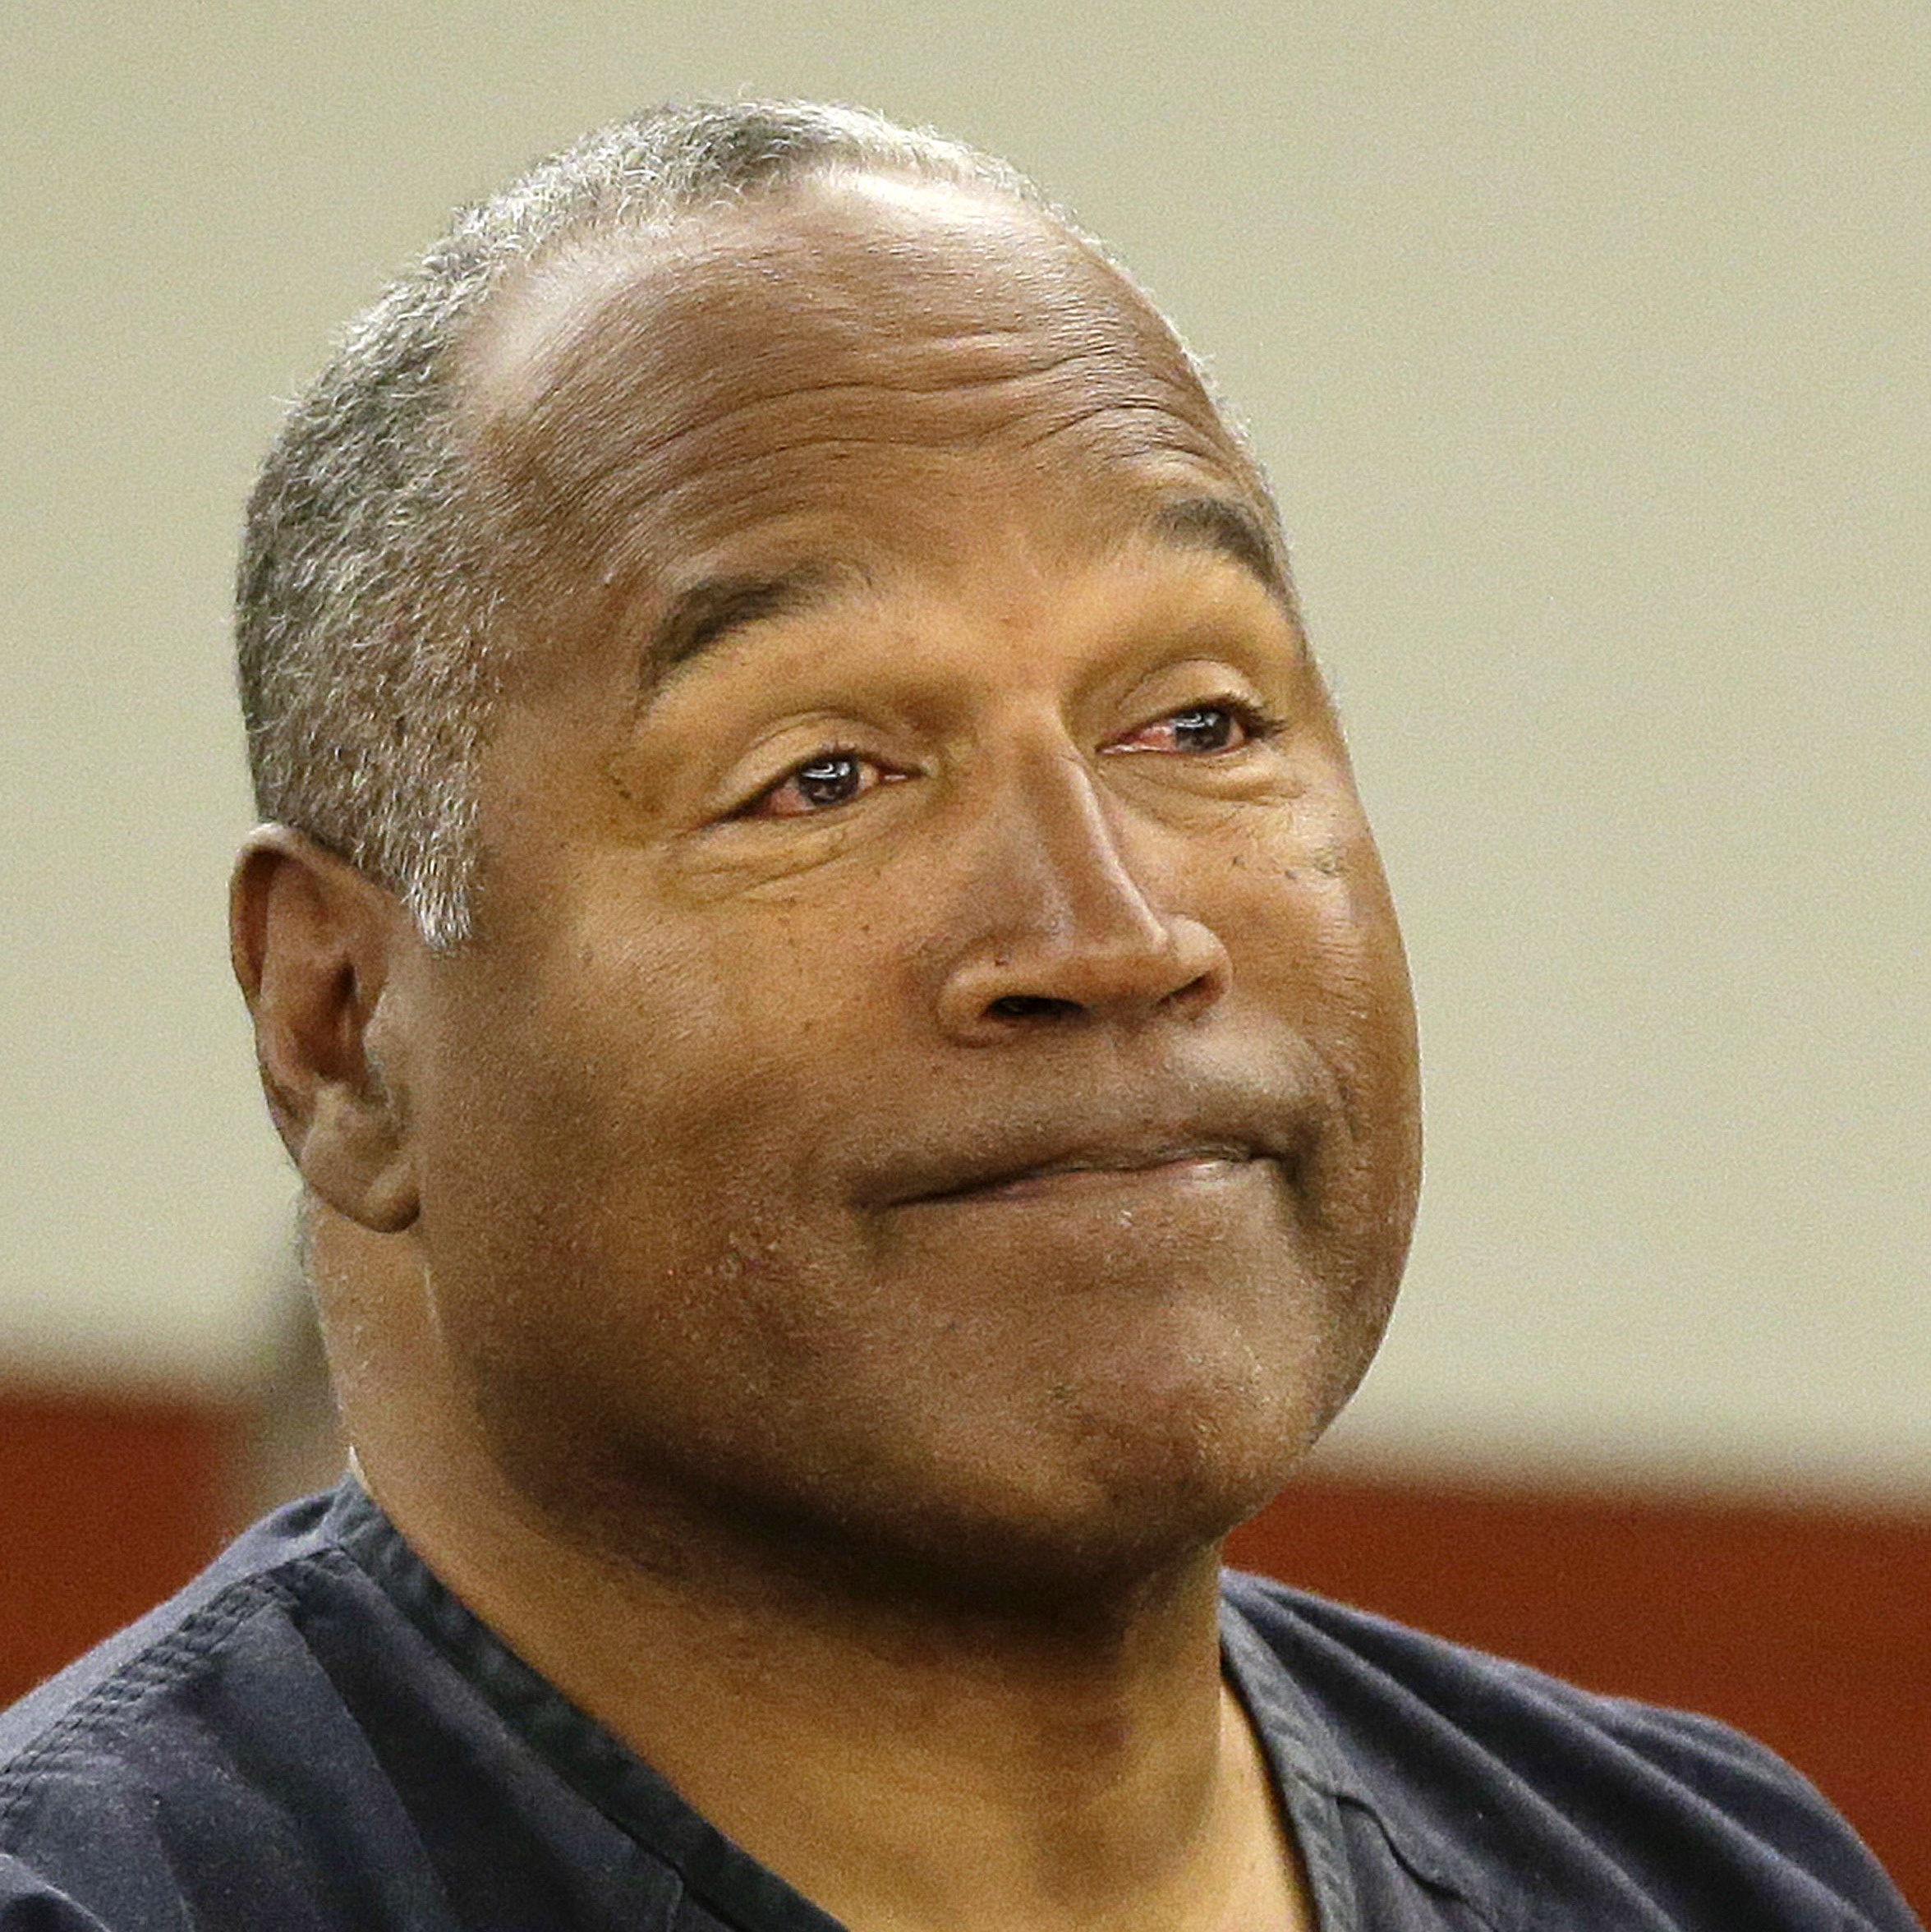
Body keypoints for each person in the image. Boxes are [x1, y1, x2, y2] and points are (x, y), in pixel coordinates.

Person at [0, 100, 1914, 1932]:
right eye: (821, 776)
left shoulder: (1709, 1886)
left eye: (1200, 723)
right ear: (343, 1027)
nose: (1116, 933)